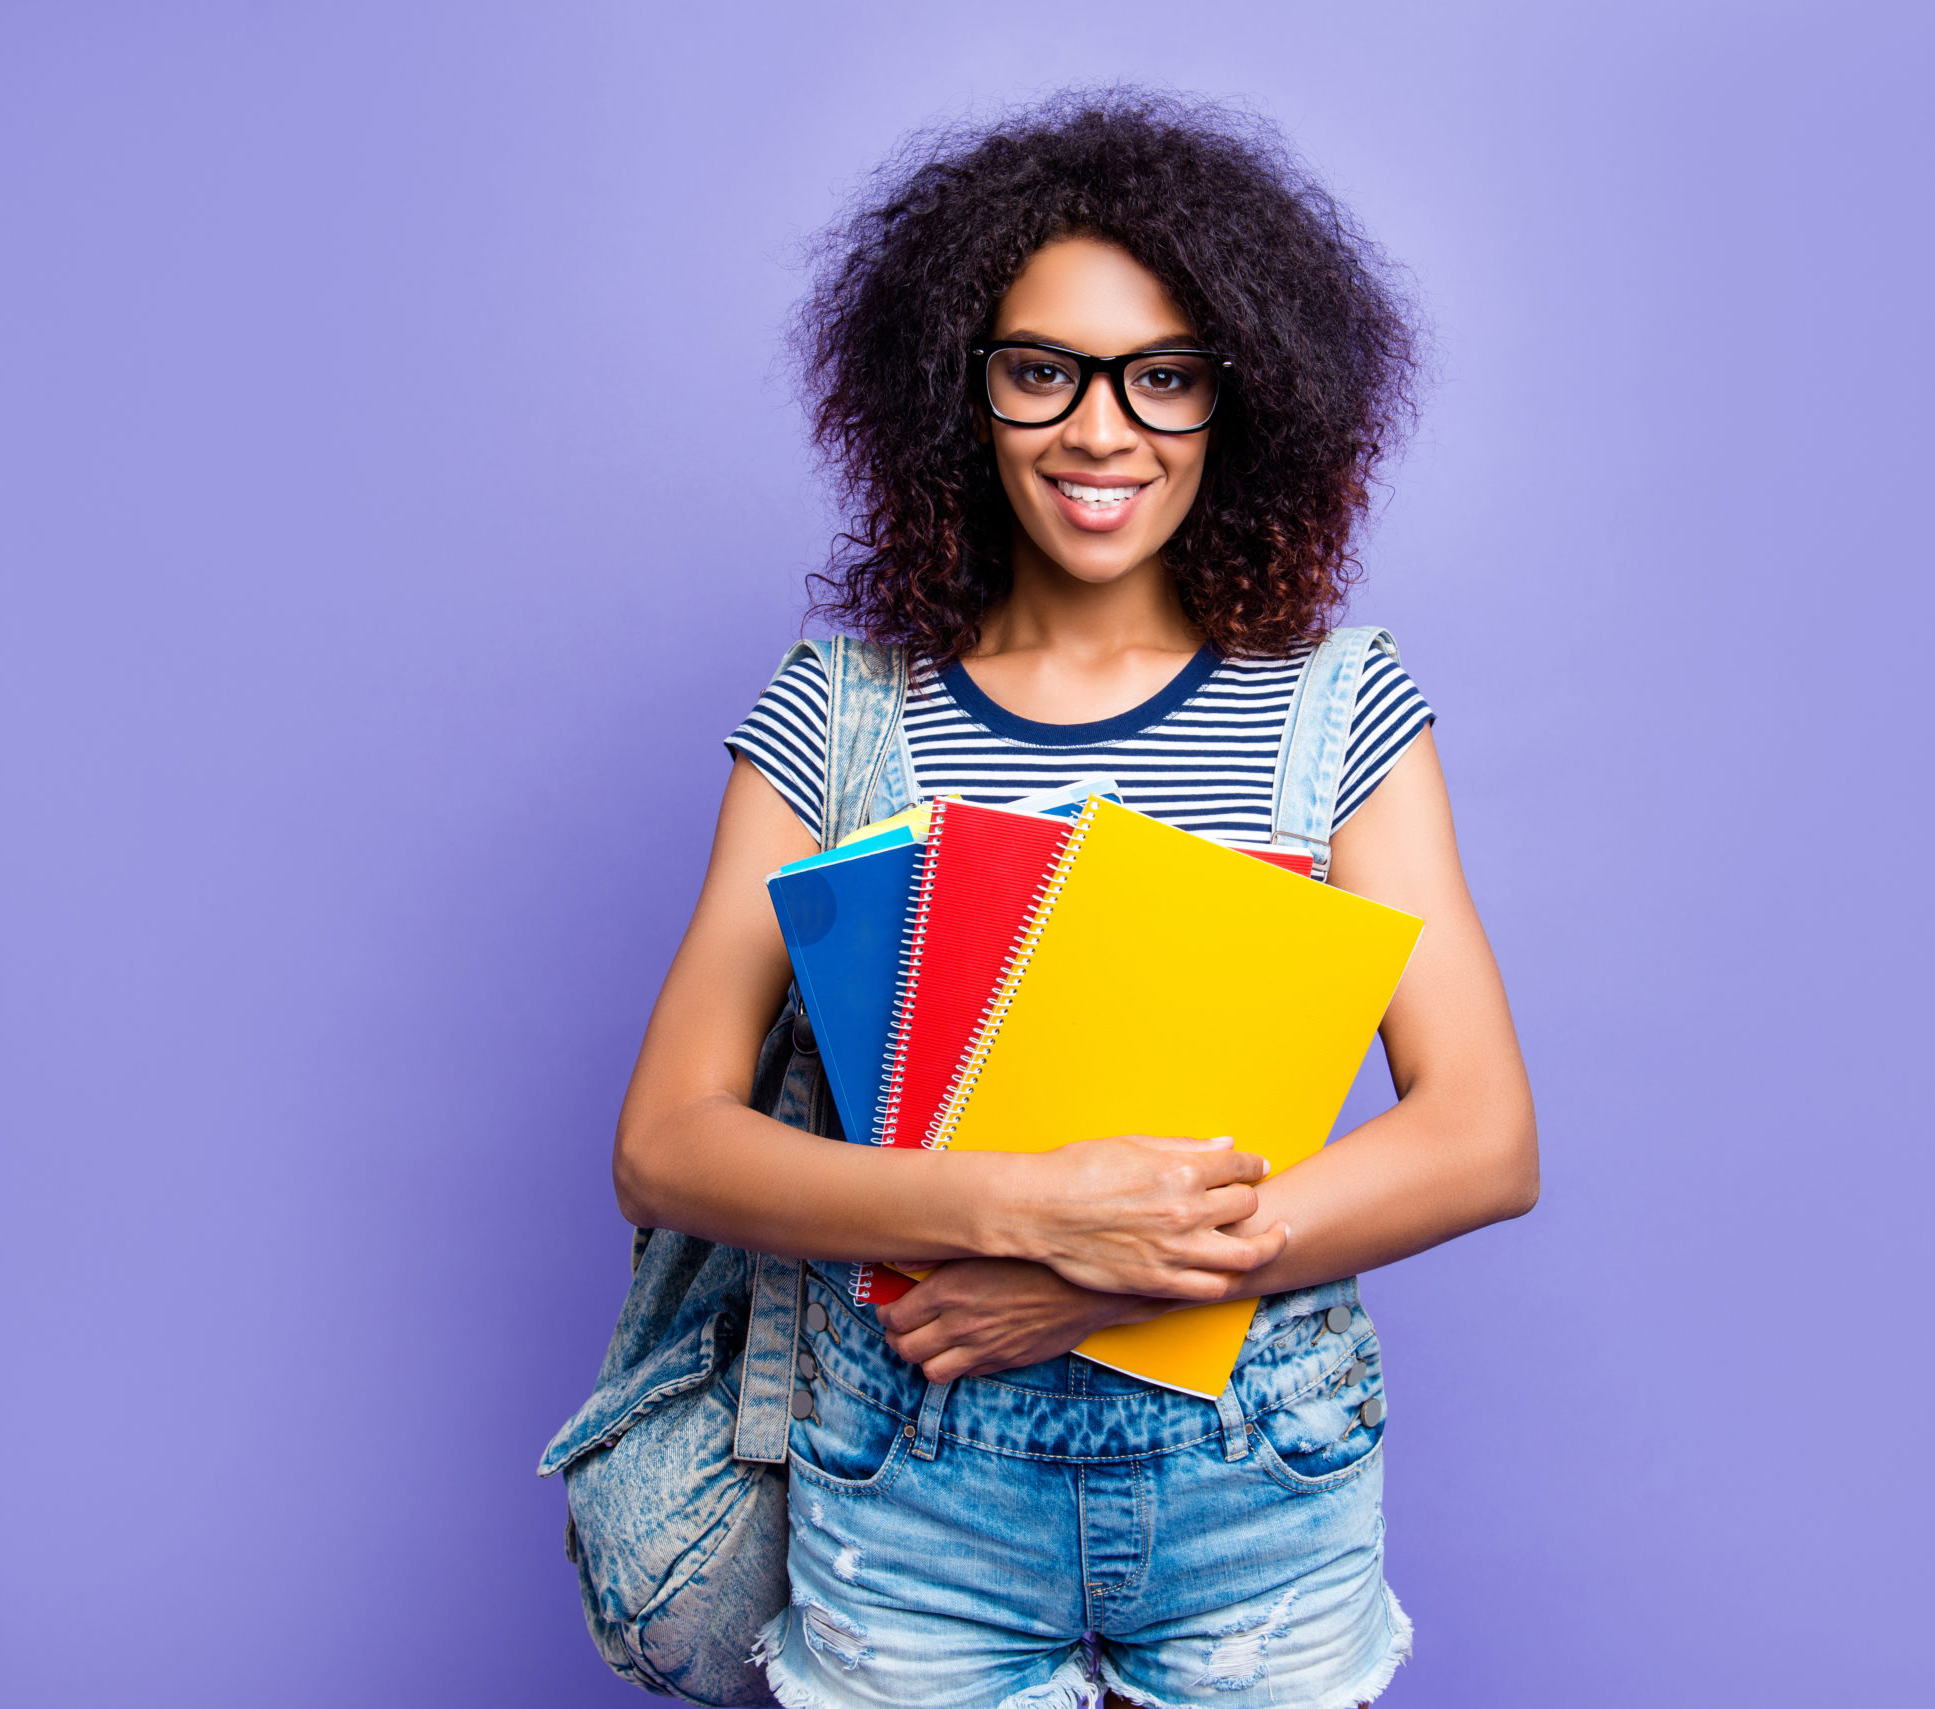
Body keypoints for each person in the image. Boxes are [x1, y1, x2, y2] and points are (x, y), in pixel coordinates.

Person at [613, 94, 1538, 1709]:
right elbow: (666, 1142)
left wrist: (1113, 1270)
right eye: (1042, 369)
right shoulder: (841, 714)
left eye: (1163, 376)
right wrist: (1020, 1212)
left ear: (1238, 405)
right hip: (913, 1481)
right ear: (960, 394)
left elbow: (1484, 1135)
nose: (1100, 431)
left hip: (1260, 1470)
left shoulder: (1335, 708)